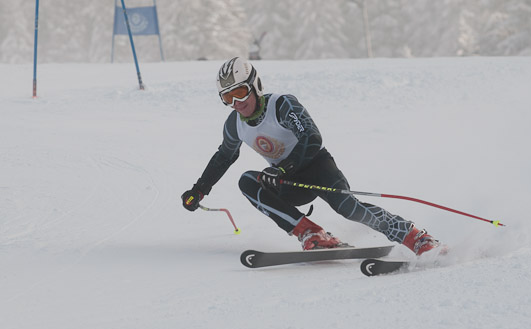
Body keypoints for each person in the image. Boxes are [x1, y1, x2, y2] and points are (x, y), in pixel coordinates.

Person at [182, 57, 441, 254]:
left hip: (317, 167)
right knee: (247, 181)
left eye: (239, 92)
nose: (236, 103)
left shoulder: (282, 104)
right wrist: (199, 189)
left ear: (255, 85)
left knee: (349, 209)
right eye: (227, 97)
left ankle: (414, 237)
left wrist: (283, 169)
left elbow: (312, 138)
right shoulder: (234, 124)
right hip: (286, 182)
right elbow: (224, 157)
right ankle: (311, 233)